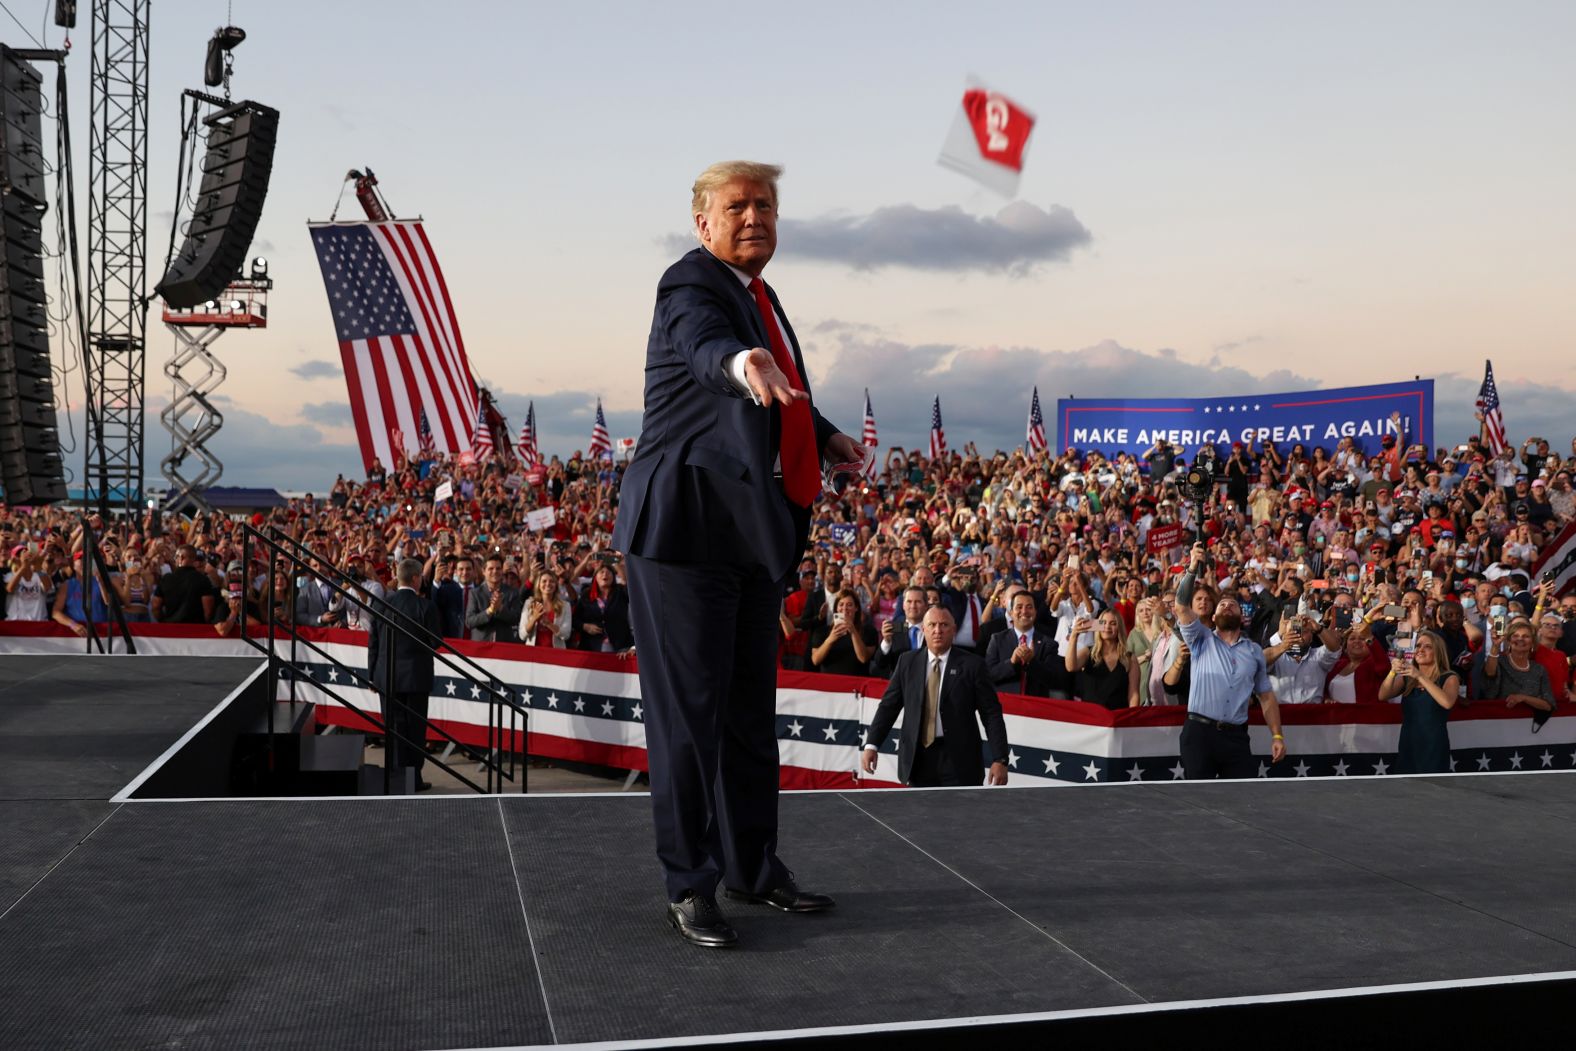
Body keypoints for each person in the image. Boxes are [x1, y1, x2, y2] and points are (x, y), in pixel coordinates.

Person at [611, 161, 863, 948]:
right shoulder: (690, 284)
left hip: (751, 534)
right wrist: (739, 363)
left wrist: (823, 435)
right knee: (690, 721)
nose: (753, 216)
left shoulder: (763, 297)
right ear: (703, 223)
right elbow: (707, 349)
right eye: (736, 206)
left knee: (751, 714)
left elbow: (781, 384)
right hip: (683, 536)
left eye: (765, 205)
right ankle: (691, 881)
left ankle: (753, 868)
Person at [861, 606, 1010, 787]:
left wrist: (1000, 759)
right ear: (923, 630)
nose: (937, 631)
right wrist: (872, 745)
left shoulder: (973, 665)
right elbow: (888, 707)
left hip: (960, 761)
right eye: (932, 625)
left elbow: (991, 713)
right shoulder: (907, 662)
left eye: (944, 625)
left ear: (954, 630)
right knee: (920, 814)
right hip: (917, 758)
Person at [1174, 542, 1287, 778]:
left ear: (1242, 616)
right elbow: (1182, 606)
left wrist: (1277, 735)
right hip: (1199, 734)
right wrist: (1192, 567)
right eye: (1222, 604)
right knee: (1199, 801)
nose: (1227, 606)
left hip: (1235, 737)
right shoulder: (1200, 639)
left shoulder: (1254, 650)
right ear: (1213, 617)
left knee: (1241, 800)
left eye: (1232, 605)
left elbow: (1266, 697)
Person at [367, 558, 444, 791]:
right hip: (415, 678)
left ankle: (396, 777)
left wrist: (372, 676)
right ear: (415, 578)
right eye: (421, 576)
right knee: (415, 729)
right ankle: (413, 779)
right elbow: (436, 642)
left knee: (393, 727)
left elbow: (374, 644)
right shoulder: (425, 606)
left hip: (386, 677)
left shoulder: (381, 605)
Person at [1378, 629, 1460, 773]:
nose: (1420, 650)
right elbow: (1382, 695)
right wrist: (1392, 672)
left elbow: (1447, 702)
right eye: (1418, 646)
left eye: (1427, 647)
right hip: (1408, 742)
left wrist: (1420, 676)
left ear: (1438, 652)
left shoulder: (1449, 677)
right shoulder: (1408, 678)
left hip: (1433, 745)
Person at [985, 589, 1070, 698]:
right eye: (1019, 607)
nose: (1024, 611)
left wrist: (1032, 662)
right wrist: (1011, 662)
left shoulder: (1049, 644)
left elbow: (1054, 680)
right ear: (1011, 612)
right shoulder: (997, 639)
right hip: (1005, 706)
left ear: (1035, 611)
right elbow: (987, 675)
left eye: (1029, 607)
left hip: (1035, 708)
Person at [1064, 609, 1139, 709]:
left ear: (1119, 628)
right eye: (1103, 623)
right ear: (1097, 626)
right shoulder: (1087, 652)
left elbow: (1133, 694)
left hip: (1118, 718)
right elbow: (1070, 667)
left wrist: (1131, 717)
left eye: (1113, 623)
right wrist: (1074, 636)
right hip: (1091, 718)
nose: (1107, 627)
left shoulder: (1130, 658)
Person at [1481, 617, 1555, 715]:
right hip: (1499, 720)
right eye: (1515, 636)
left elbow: (1548, 705)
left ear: (1532, 642)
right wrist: (1496, 646)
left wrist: (1523, 698)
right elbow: (1489, 673)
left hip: (1528, 723)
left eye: (1525, 636)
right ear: (1509, 641)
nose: (1520, 639)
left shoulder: (1538, 669)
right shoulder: (1500, 662)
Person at [572, 560, 633, 653]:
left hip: (620, 647)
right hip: (592, 646)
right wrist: (585, 626)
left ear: (614, 577)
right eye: (602, 572)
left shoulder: (621, 592)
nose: (605, 575)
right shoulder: (586, 594)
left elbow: (628, 586)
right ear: (595, 576)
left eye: (609, 572)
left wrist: (615, 562)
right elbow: (575, 619)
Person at [807, 594, 875, 675]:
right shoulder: (821, 632)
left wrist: (853, 631)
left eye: (849, 605)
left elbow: (863, 658)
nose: (845, 608)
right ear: (836, 608)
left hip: (857, 683)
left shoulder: (869, 631)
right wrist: (830, 639)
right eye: (841, 604)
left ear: (856, 608)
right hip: (829, 683)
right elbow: (815, 660)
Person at [871, 586, 928, 678]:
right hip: (900, 684)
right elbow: (880, 663)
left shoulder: (933, 629)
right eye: (909, 601)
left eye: (917, 602)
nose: (913, 606)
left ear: (926, 606)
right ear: (903, 605)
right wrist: (886, 641)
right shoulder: (894, 628)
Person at [464, 554, 521, 642]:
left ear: (502, 571)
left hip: (504, 646)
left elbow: (516, 619)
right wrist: (490, 610)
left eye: (498, 568)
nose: (495, 571)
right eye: (491, 569)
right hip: (480, 647)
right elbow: (470, 622)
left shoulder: (512, 593)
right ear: (483, 571)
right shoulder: (475, 593)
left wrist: (501, 609)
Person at [520, 569, 572, 648]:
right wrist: (534, 618)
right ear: (538, 585)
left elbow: (566, 635)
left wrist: (549, 624)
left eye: (551, 581)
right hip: (533, 653)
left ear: (556, 585)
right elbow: (522, 635)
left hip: (556, 654)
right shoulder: (529, 603)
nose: (548, 584)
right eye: (544, 581)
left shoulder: (565, 606)